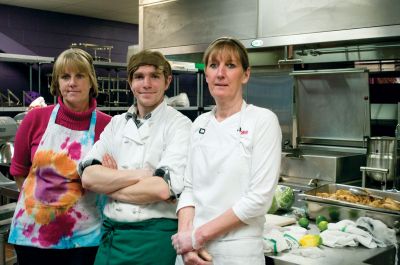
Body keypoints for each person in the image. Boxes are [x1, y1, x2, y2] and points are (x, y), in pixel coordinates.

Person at [172, 37, 282, 265]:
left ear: (246, 74)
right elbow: (189, 188)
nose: (220, 73)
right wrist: (186, 242)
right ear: (207, 75)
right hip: (191, 254)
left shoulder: (262, 120)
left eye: (230, 65)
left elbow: (258, 199)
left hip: (237, 252)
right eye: (213, 65)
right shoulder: (199, 124)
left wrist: (197, 236)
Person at [79, 50, 192, 265]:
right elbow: (88, 177)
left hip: (154, 239)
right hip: (112, 237)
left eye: (154, 76)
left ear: (167, 81)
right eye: (139, 76)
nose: (146, 84)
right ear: (130, 82)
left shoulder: (180, 125)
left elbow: (160, 189)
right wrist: (142, 175)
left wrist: (109, 182)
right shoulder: (116, 124)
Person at [8, 48, 112, 265]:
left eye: (79, 76)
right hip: (33, 234)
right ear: (57, 83)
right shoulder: (35, 119)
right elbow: (19, 172)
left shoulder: (107, 125)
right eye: (65, 77)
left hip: (84, 236)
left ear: (91, 82)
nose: (72, 83)